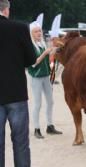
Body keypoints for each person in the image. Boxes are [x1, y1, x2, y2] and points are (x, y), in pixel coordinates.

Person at [0, 0, 37, 166]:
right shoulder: (20, 27)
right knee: (20, 142)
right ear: (7, 10)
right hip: (16, 93)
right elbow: (31, 59)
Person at [28, 21, 62, 139]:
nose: (39, 33)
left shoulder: (42, 44)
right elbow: (33, 63)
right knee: (37, 103)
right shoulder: (30, 46)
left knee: (50, 101)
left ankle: (50, 125)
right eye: (36, 31)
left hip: (45, 76)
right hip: (36, 77)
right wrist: (46, 53)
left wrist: (55, 49)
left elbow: (48, 56)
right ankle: (36, 128)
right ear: (31, 33)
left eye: (40, 31)